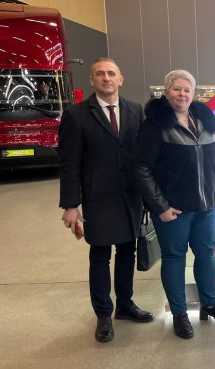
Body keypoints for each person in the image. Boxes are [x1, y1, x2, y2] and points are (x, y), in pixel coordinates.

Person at [58, 57, 153, 343]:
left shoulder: (135, 110)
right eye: (100, 74)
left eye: (112, 73)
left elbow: (144, 154)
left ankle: (125, 304)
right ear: (92, 80)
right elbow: (69, 163)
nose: (106, 78)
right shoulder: (76, 115)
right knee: (100, 256)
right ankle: (103, 314)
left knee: (127, 252)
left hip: (130, 197)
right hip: (97, 198)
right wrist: (71, 205)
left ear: (120, 79)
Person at [134, 69, 215, 340]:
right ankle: (179, 314)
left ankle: (210, 304)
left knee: (207, 255)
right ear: (166, 92)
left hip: (206, 208)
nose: (182, 94)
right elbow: (142, 168)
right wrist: (160, 206)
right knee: (174, 258)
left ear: (194, 93)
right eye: (177, 89)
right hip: (174, 211)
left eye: (187, 90)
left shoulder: (204, 121)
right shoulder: (155, 125)